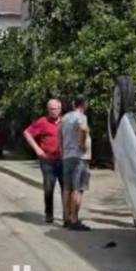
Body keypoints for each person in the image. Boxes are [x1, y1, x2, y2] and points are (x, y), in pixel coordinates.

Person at [23, 99, 63, 223]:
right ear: (48, 109)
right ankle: (49, 214)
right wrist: (37, 149)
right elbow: (27, 133)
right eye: (51, 109)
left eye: (56, 108)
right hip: (48, 161)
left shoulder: (65, 122)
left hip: (63, 160)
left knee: (66, 188)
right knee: (49, 188)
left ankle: (68, 216)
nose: (54, 111)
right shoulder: (43, 121)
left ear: (60, 109)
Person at [58, 95, 91, 231]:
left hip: (67, 157)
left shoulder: (64, 118)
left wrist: (62, 150)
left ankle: (66, 218)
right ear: (84, 104)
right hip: (79, 157)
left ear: (73, 104)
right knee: (78, 189)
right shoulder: (81, 117)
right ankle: (74, 220)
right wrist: (82, 145)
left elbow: (59, 135)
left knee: (67, 188)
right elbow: (83, 129)